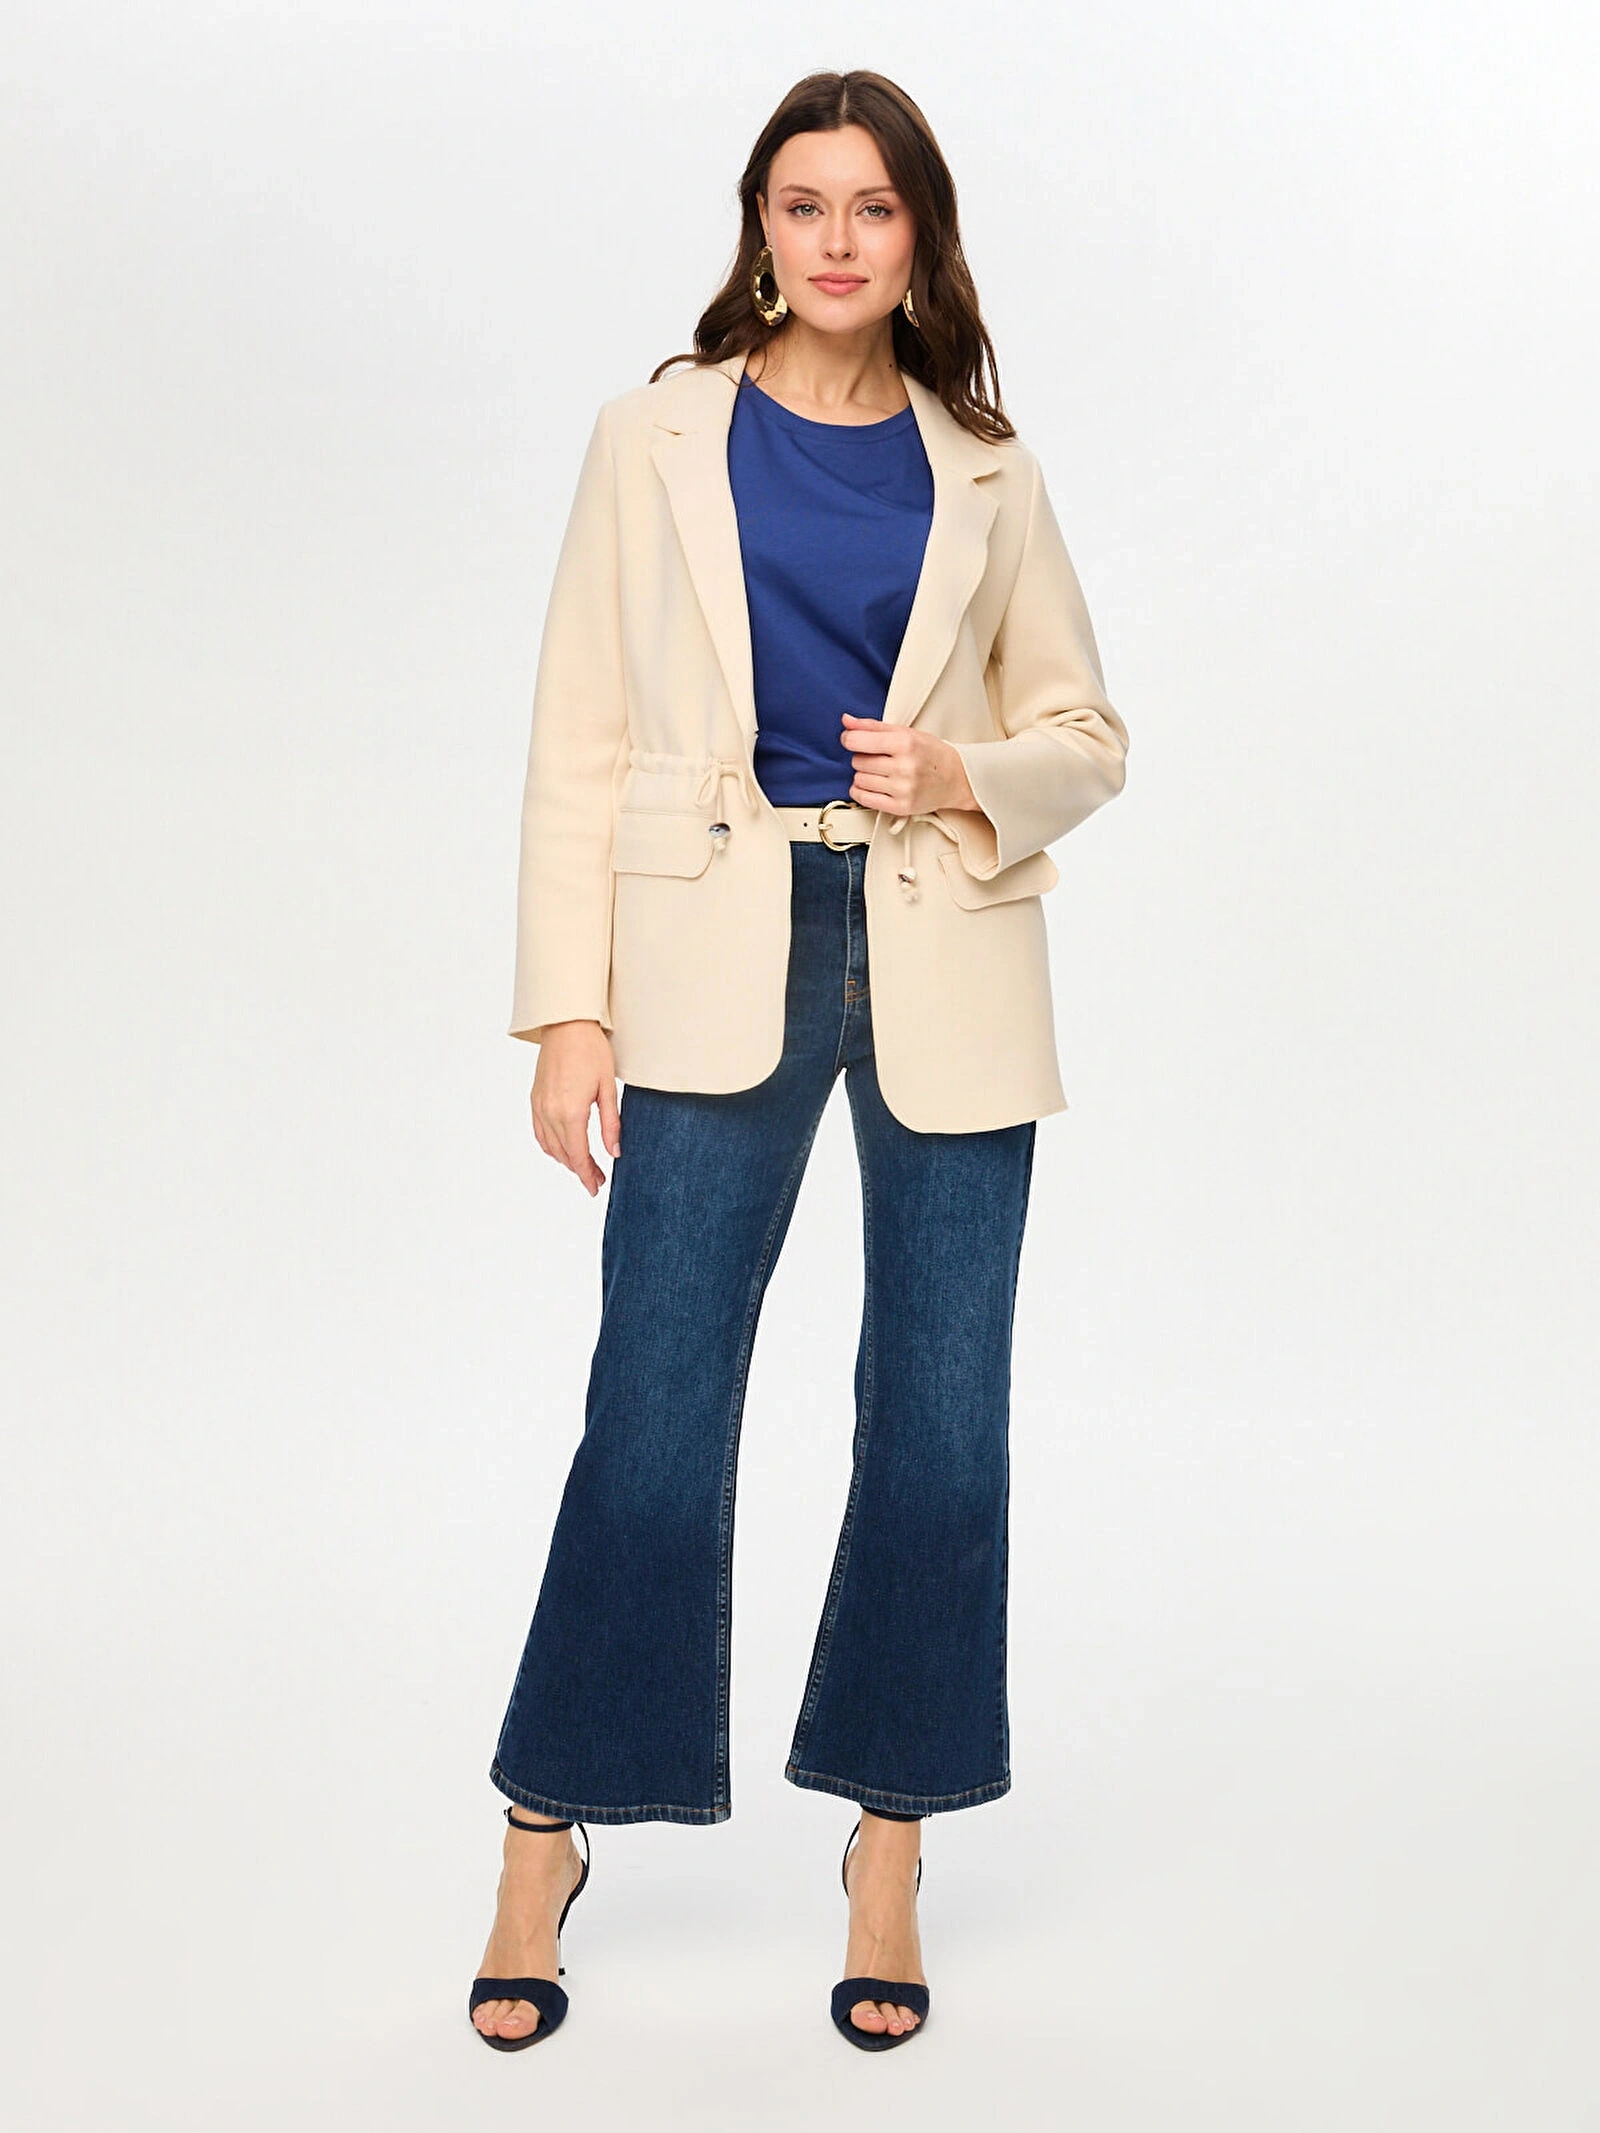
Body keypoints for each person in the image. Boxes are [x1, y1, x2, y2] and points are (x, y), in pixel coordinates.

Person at [468, 68, 1130, 2055]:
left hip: (941, 940)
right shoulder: (654, 431)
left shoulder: (986, 467)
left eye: (873, 207)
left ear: (920, 236)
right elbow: (578, 728)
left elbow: (1087, 737)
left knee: (939, 1422)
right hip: (706, 942)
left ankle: (889, 1844)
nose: (837, 240)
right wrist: (565, 1006)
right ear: (759, 227)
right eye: (801, 203)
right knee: (656, 1404)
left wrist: (960, 770)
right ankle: (542, 1831)